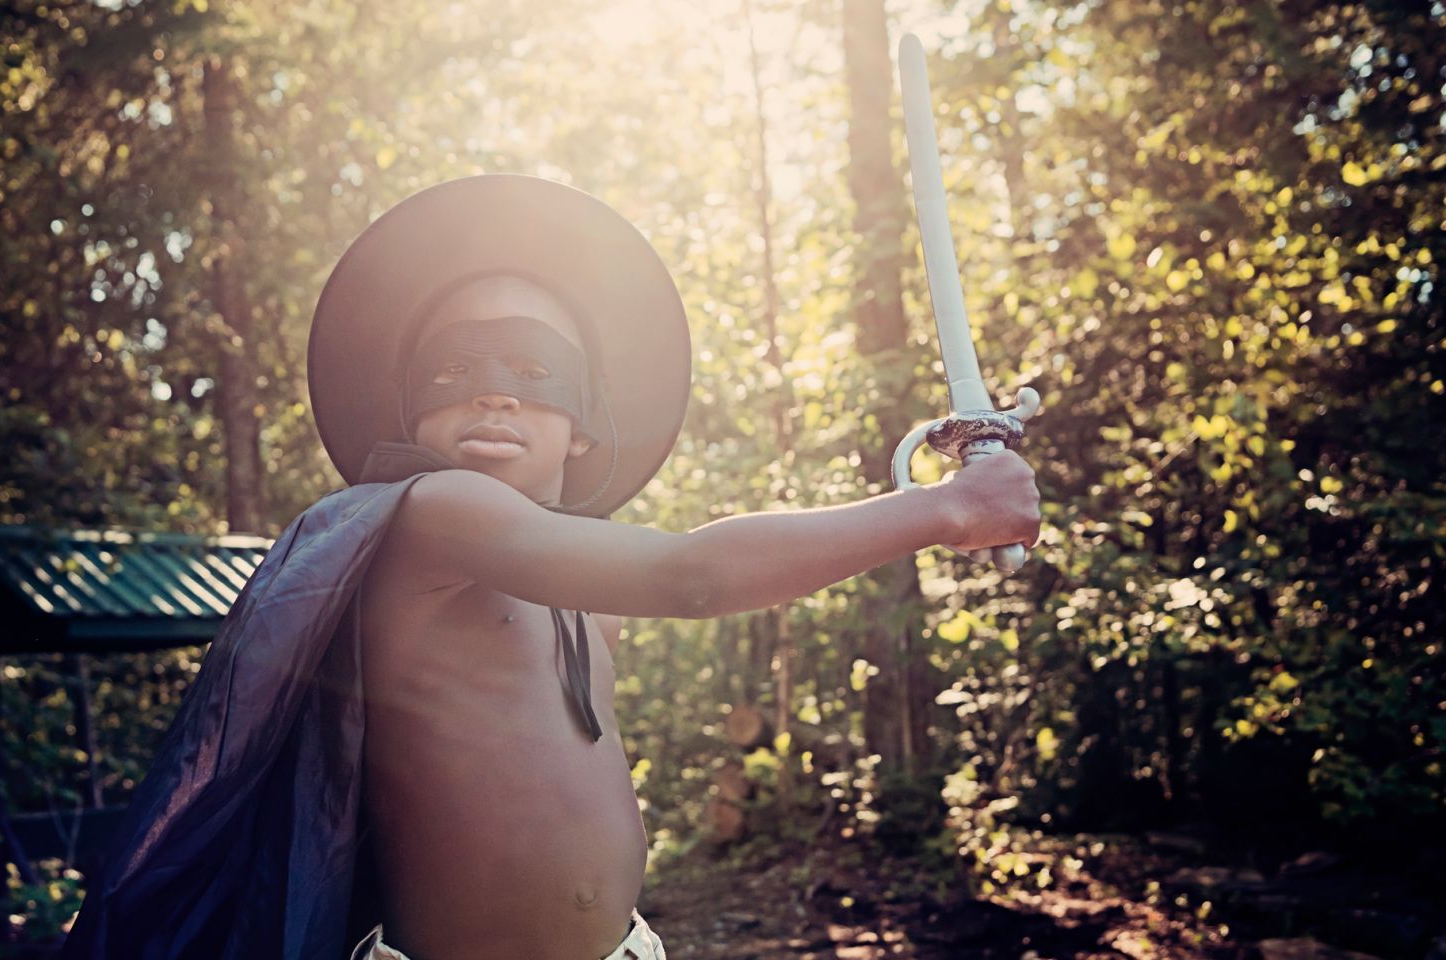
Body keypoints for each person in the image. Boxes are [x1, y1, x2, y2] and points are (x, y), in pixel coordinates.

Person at [60, 175, 1039, 960]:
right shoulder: (437, 515)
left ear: (582, 427)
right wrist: (946, 510)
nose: (493, 400)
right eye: (455, 372)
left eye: (534, 377)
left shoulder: (571, 575)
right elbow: (691, 576)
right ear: (408, 412)